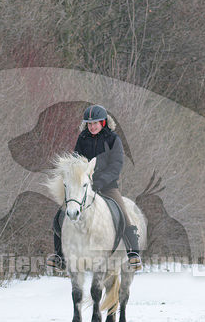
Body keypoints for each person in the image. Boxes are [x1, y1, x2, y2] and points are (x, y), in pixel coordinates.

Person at [46, 104, 142, 271]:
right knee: (60, 215)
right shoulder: (83, 138)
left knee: (123, 213)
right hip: (83, 187)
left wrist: (99, 182)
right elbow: (76, 162)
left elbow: (116, 166)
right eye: (89, 124)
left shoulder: (113, 140)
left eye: (95, 123)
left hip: (107, 186)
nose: (92, 127)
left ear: (103, 122)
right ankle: (59, 256)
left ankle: (133, 253)